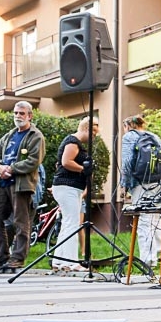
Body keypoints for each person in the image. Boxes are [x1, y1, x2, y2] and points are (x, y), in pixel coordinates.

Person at [0, 101, 46, 273]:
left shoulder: (36, 136)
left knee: (21, 223)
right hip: (1, 184)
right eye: (16, 113)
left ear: (29, 115)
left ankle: (17, 259)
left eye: (21, 113)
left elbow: (34, 161)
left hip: (21, 185)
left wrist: (11, 168)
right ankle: (1, 258)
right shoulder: (8, 135)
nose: (18, 116)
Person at [120, 115, 161, 267]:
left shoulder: (129, 136)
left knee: (144, 219)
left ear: (128, 125)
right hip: (159, 181)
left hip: (140, 183)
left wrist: (124, 185)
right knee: (154, 217)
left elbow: (127, 163)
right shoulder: (153, 136)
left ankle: (148, 259)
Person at [51, 116, 98, 272]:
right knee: (72, 224)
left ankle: (58, 260)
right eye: (93, 133)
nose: (93, 137)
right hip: (67, 187)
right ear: (86, 128)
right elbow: (66, 162)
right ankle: (71, 262)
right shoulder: (73, 142)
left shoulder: (74, 142)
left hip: (67, 187)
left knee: (67, 223)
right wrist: (84, 169)